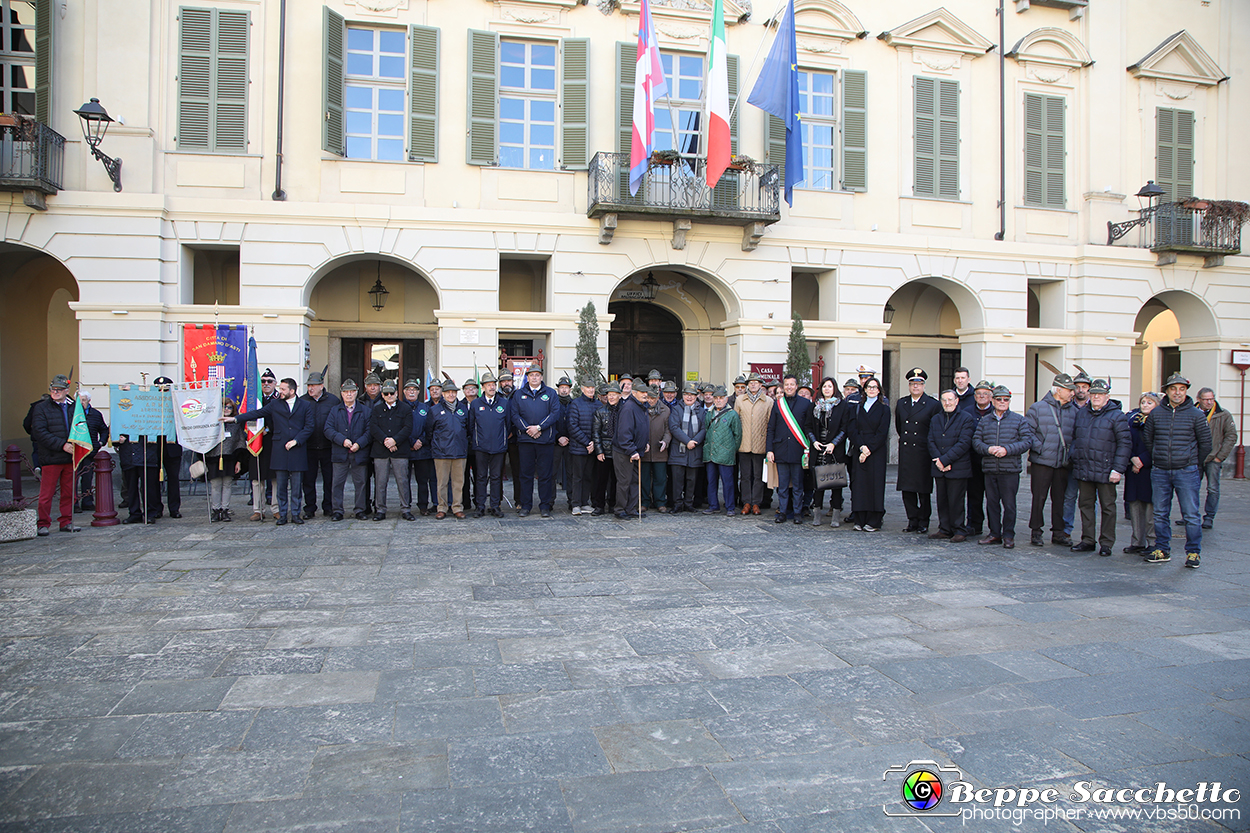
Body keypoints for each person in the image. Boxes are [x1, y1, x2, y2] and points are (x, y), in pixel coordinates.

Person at [1143, 372, 1211, 568]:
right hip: (1161, 470)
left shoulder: (1196, 415)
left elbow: (1205, 444)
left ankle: (1193, 552)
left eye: (1182, 389)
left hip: (1186, 471)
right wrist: (1157, 457)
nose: (1178, 393)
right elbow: (1149, 439)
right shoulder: (1156, 413)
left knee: (1191, 514)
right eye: (1174, 389)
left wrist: (1193, 463)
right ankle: (1162, 549)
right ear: (1167, 391)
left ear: (1186, 392)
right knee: (1160, 513)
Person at [229, 377, 313, 526]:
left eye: (283, 389)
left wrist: (296, 440)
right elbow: (256, 413)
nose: (280, 391)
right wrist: (234, 419)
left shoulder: (305, 405)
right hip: (280, 449)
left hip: (297, 450)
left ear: (292, 391)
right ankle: (282, 515)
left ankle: (295, 514)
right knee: (280, 486)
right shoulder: (275, 404)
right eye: (280, 388)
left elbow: (309, 427)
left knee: (296, 486)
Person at [1070, 378, 1131, 556]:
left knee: (1108, 508)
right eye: (1094, 393)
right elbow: (1075, 437)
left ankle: (1106, 543)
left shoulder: (1117, 416)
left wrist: (1118, 469)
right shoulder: (1082, 413)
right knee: (1085, 505)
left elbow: (1124, 444)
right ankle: (1088, 540)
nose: (1096, 397)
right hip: (1085, 468)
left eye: (1100, 394)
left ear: (1107, 397)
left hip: (1107, 470)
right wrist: (1075, 456)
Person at [972, 385, 1032, 549]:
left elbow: (1026, 442)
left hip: (1009, 469)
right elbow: (976, 442)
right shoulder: (985, 421)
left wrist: (1007, 450)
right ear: (993, 400)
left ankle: (1008, 535)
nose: (1002, 402)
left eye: (1006, 399)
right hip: (990, 469)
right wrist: (988, 449)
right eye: (999, 399)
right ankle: (994, 533)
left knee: (1009, 505)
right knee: (991, 503)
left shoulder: (1019, 420)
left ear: (1009, 401)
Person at [1025, 373, 1077, 547]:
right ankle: (1036, 531)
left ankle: (1059, 532)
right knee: (1038, 498)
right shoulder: (1038, 408)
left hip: (1063, 463)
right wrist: (1041, 449)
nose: (1072, 393)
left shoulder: (1075, 410)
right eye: (1069, 390)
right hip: (1042, 462)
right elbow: (1028, 433)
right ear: (1058, 390)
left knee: (1060, 499)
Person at [29, 375, 81, 536]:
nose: (55, 392)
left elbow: (81, 427)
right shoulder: (41, 408)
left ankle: (66, 521)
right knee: (46, 493)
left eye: (59, 389)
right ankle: (43, 523)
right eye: (53, 389)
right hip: (51, 456)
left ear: (67, 390)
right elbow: (39, 432)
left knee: (69, 492)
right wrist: (62, 445)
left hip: (70, 456)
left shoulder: (74, 407)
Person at [510, 367, 560, 518]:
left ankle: (545, 506)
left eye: (537, 375)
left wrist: (539, 428)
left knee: (545, 475)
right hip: (525, 441)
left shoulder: (550, 393)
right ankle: (525, 505)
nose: (534, 378)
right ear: (527, 377)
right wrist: (528, 429)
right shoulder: (519, 394)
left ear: (541, 377)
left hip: (545, 441)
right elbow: (514, 414)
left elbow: (554, 413)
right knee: (525, 475)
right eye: (531, 375)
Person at [895, 368, 940, 534]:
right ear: (909, 385)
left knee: (923, 490)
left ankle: (923, 521)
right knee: (907, 490)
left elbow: (934, 429)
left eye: (919, 384)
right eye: (913, 384)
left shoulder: (933, 404)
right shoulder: (902, 403)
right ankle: (912, 520)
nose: (916, 386)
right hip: (907, 451)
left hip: (923, 452)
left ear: (924, 385)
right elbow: (900, 426)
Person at [927, 390, 976, 541]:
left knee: (956, 500)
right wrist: (939, 460)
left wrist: (946, 460)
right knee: (942, 500)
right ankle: (945, 528)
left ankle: (959, 529)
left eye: (950, 400)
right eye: (944, 400)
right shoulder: (936, 418)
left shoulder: (966, 418)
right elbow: (930, 440)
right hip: (940, 466)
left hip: (957, 467)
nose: (947, 403)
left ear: (957, 401)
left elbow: (964, 443)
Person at [766, 375, 815, 525]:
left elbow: (809, 428)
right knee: (782, 485)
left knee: (798, 485)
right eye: (786, 385)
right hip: (780, 450)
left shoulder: (806, 404)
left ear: (796, 386)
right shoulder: (778, 404)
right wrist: (769, 450)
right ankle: (782, 512)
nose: (789, 387)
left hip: (798, 450)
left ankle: (798, 512)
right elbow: (771, 428)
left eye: (792, 384)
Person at [324, 379, 373, 521]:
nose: (349, 394)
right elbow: (328, 429)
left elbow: (370, 432)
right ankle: (337, 510)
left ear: (357, 393)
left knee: (361, 483)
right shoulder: (335, 410)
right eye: (346, 392)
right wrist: (342, 440)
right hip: (340, 453)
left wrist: (359, 444)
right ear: (342, 394)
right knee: (337, 483)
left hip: (359, 452)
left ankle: (360, 510)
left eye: (352, 391)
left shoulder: (365, 410)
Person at [848, 377, 890, 531]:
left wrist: (869, 449)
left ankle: (874, 520)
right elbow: (852, 430)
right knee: (859, 485)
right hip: (860, 449)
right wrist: (861, 447)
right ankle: (859, 519)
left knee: (875, 485)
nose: (872, 389)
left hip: (876, 452)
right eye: (869, 387)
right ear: (864, 389)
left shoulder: (884, 408)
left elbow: (882, 432)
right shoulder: (857, 408)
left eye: (875, 387)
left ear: (879, 390)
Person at [369, 380, 414, 522]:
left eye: (392, 393)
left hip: (400, 450)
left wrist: (394, 441)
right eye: (386, 393)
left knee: (403, 481)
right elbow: (373, 428)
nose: (389, 395)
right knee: (380, 482)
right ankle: (380, 510)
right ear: (382, 395)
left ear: (396, 393)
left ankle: (406, 509)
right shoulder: (376, 409)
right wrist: (386, 441)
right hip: (381, 451)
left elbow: (407, 428)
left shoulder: (405, 409)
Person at [1123, 392, 1160, 554]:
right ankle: (1137, 540)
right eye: (1143, 402)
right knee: (1135, 505)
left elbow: (1159, 445)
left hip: (1150, 469)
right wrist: (1132, 459)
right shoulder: (1132, 421)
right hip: (1133, 470)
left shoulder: (1160, 421)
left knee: (1150, 508)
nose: (1145, 405)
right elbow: (1125, 441)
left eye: (1149, 403)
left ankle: (1152, 541)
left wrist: (1142, 460)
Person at [300, 371, 340, 519]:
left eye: (314, 385)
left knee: (329, 479)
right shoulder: (302, 401)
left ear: (321, 386)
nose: (311, 388)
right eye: (309, 385)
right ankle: (309, 508)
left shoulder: (333, 401)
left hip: (328, 446)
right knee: (308, 479)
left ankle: (328, 507)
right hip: (308, 447)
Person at [429, 379, 470, 519]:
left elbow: (468, 429)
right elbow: (429, 431)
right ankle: (442, 508)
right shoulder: (434, 410)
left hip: (460, 452)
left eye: (453, 392)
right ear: (443, 394)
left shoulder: (463, 409)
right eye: (448, 392)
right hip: (441, 453)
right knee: (442, 483)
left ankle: (457, 507)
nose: (451, 395)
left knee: (459, 482)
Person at [1195, 386, 1235, 530]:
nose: (1209, 402)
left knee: (1213, 488)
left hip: (1214, 458)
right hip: (1195, 458)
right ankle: (1190, 515)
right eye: (1206, 399)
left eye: (1212, 399)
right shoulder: (1191, 412)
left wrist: (1220, 457)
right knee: (1190, 488)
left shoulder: (1223, 414)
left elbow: (1231, 436)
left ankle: (1209, 516)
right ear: (1198, 399)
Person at [471, 372, 509, 518]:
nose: (492, 387)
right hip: (481, 447)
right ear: (483, 387)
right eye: (488, 385)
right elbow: (471, 425)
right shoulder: (475, 404)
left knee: (496, 477)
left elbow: (508, 424)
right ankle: (480, 506)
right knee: (480, 477)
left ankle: (495, 506)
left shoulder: (504, 403)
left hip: (499, 447)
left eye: (493, 384)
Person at [810, 377, 847, 527]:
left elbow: (845, 428)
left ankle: (836, 515)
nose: (827, 389)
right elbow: (808, 426)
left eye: (830, 386)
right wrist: (814, 441)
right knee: (818, 484)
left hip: (834, 450)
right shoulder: (815, 405)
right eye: (824, 386)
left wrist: (833, 443)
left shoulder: (842, 406)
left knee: (836, 482)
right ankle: (817, 514)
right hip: (819, 448)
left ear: (835, 389)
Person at [735, 371, 772, 515]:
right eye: (751, 383)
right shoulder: (740, 400)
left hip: (760, 444)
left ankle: (756, 503)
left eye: (756, 382)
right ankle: (746, 502)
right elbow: (736, 421)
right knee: (744, 476)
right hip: (744, 443)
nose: (753, 385)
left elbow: (770, 424)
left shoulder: (768, 401)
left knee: (758, 476)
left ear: (760, 385)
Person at [1060, 370, 1093, 537]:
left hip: (1091, 459)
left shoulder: (1094, 407)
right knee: (1069, 496)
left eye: (1084, 387)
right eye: (1077, 387)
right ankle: (1066, 529)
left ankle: (1090, 534)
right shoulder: (1066, 406)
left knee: (1088, 500)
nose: (1081, 390)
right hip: (1072, 458)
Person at [613, 377, 650, 519]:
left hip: (636, 451)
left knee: (635, 482)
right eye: (641, 392)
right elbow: (624, 433)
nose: (645, 394)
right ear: (634, 393)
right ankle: (620, 509)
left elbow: (642, 428)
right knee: (624, 482)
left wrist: (644, 443)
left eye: (646, 392)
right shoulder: (629, 408)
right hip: (625, 452)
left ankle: (631, 508)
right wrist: (632, 450)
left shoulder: (641, 406)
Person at [702, 386, 741, 516]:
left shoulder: (732, 414)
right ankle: (713, 505)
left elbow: (737, 435)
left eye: (721, 398)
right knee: (711, 481)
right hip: (711, 453)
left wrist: (730, 450)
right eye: (716, 398)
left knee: (728, 482)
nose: (718, 400)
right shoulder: (709, 413)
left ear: (726, 399)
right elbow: (707, 430)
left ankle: (730, 507)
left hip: (726, 453)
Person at [667, 383, 705, 514]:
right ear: (683, 396)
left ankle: (689, 503)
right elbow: (674, 428)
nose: (689, 397)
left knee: (691, 480)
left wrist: (695, 441)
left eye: (692, 395)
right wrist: (687, 441)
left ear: (696, 396)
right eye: (687, 395)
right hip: (679, 450)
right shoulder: (677, 409)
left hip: (695, 450)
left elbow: (704, 429)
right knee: (677, 480)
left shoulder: (702, 411)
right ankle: (677, 504)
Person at [206, 397, 245, 521]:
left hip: (230, 458)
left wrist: (239, 461)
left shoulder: (235, 424)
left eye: (229, 407)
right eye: (224, 407)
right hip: (214, 458)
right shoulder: (212, 423)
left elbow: (240, 443)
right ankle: (215, 510)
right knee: (216, 484)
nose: (227, 410)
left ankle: (225, 509)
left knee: (227, 484)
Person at [152, 376, 184, 519]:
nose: (162, 391)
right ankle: (156, 508)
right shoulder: (150, 404)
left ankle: (174, 508)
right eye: (159, 388)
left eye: (165, 388)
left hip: (172, 447)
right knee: (154, 480)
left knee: (173, 479)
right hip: (154, 446)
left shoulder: (177, 403)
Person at [566, 379, 600, 515]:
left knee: (588, 476)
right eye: (588, 387)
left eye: (592, 388)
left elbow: (599, 425)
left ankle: (585, 503)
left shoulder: (598, 404)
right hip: (579, 447)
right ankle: (575, 504)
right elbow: (572, 426)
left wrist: (594, 443)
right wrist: (587, 442)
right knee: (577, 477)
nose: (591, 390)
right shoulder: (575, 404)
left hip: (592, 447)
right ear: (582, 389)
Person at [966, 380, 994, 536]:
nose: (982, 396)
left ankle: (994, 528)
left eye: (985, 394)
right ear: (974, 396)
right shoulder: (968, 411)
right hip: (973, 459)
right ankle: (974, 525)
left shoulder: (996, 412)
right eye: (978, 394)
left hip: (991, 460)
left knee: (993, 496)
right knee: (974, 495)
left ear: (990, 396)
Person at [73, 390, 109, 512]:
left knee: (87, 478)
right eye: (78, 400)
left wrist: (101, 443)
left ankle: (87, 501)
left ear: (89, 400)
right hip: (74, 451)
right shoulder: (71, 413)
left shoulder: (96, 414)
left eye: (83, 400)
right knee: (73, 478)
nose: (81, 402)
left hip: (90, 451)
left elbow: (103, 429)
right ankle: (73, 503)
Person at [591, 382, 623, 515]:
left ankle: (613, 504)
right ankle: (599, 506)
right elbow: (596, 433)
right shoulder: (600, 412)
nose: (611, 397)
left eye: (614, 395)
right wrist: (599, 451)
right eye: (609, 395)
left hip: (619, 450)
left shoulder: (624, 411)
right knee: (601, 480)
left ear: (619, 396)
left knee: (616, 481)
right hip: (604, 450)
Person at [641, 387, 671, 512]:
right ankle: (644, 502)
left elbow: (668, 430)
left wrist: (665, 441)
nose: (650, 400)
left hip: (660, 451)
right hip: (645, 450)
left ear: (658, 398)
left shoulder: (666, 410)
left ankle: (660, 502)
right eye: (648, 397)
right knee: (644, 478)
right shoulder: (641, 409)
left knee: (660, 478)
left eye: (653, 398)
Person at [554, 375, 574, 510]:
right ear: (558, 389)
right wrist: (558, 437)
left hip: (571, 443)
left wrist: (569, 438)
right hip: (555, 443)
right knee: (551, 474)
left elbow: (576, 423)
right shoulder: (552, 403)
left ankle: (572, 501)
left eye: (566, 388)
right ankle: (549, 502)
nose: (564, 391)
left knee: (571, 474)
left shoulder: (574, 404)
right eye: (562, 388)